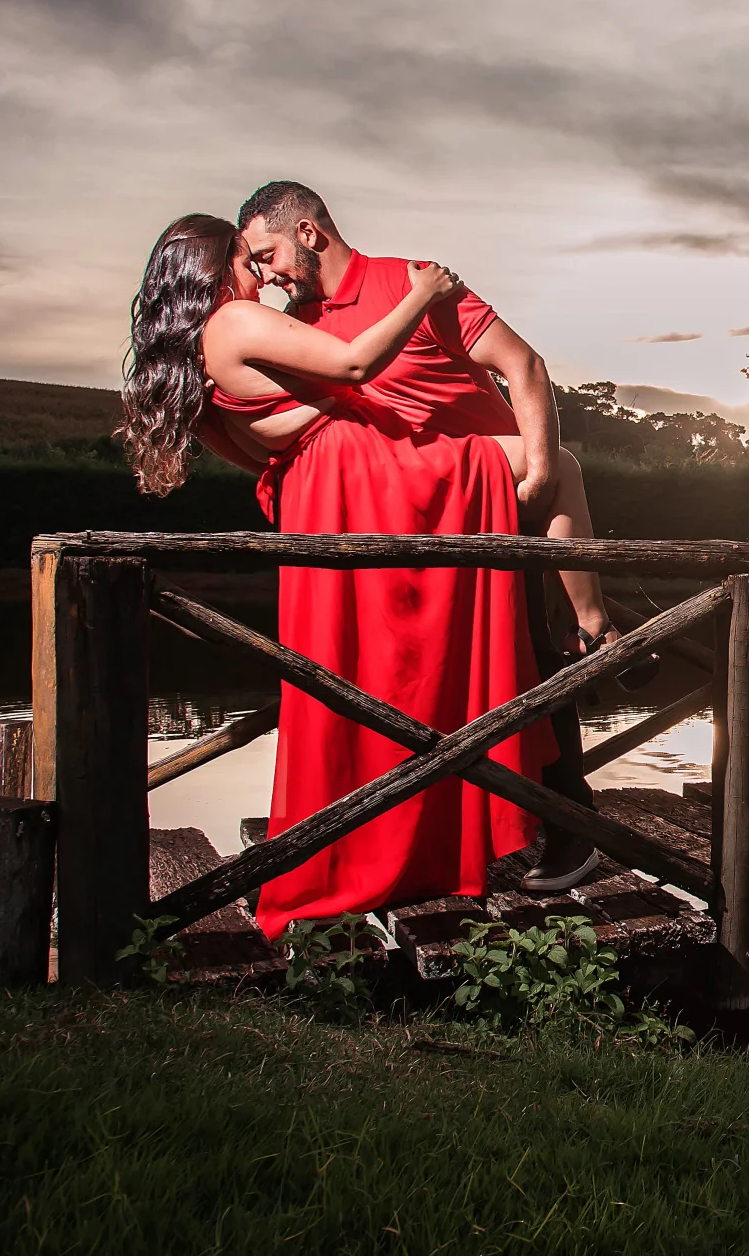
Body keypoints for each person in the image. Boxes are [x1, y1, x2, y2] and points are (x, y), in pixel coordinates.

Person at [119, 213, 564, 939]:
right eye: (245, 257)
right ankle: (588, 623)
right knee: (546, 478)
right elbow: (357, 365)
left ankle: (363, 839)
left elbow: (257, 457)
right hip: (366, 475)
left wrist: (305, 439)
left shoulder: (193, 363)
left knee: (356, 668)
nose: (259, 274)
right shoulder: (231, 324)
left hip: (322, 494)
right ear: (209, 265)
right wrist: (423, 294)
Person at [234, 181, 651, 888]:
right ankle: (433, 836)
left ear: (308, 232)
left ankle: (571, 832)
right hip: (409, 536)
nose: (266, 274)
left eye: (268, 253)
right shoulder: (301, 327)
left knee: (532, 666)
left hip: (494, 506)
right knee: (417, 696)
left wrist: (541, 474)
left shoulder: (411, 281)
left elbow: (524, 366)